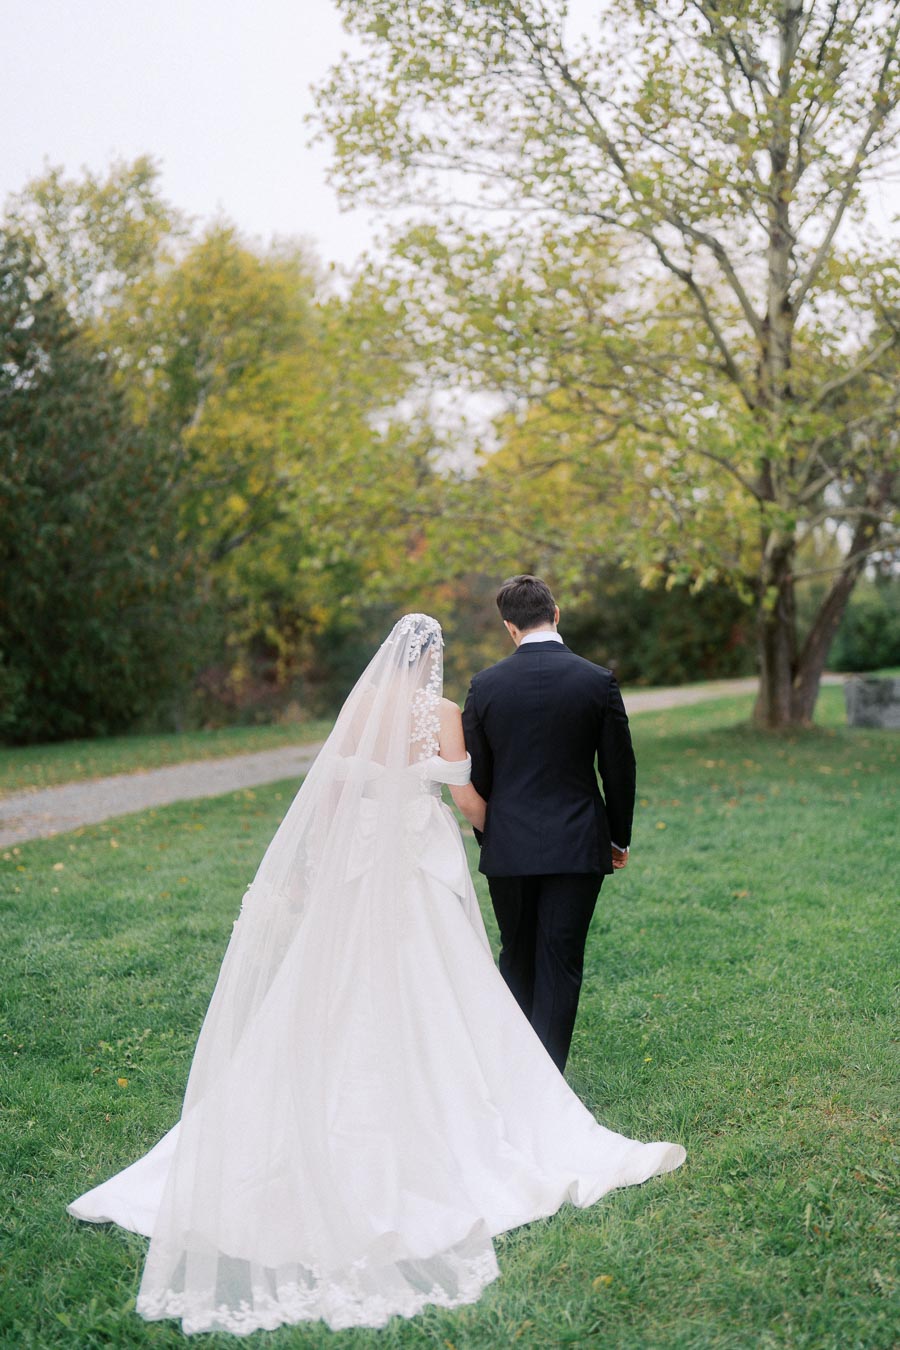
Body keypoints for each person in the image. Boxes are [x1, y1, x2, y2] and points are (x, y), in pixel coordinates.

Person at [68, 614, 684, 1336]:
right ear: (434, 661)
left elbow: (330, 796)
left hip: (359, 852)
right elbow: (462, 797)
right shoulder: (443, 714)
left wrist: (314, 866)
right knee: (440, 974)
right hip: (418, 852)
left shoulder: (358, 709)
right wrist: (500, 830)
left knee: (342, 976)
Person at [463, 575, 635, 1072]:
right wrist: (616, 837)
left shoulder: (485, 686)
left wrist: (492, 838)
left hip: (508, 849)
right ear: (556, 614)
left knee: (516, 955)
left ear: (510, 628)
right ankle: (548, 1084)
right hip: (578, 845)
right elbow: (619, 770)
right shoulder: (597, 680)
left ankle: (515, 1074)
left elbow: (481, 776)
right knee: (561, 962)